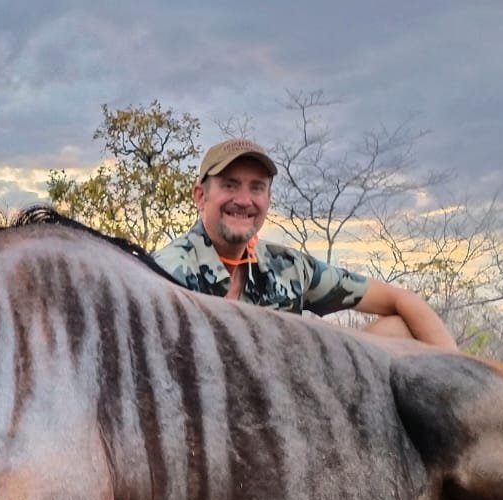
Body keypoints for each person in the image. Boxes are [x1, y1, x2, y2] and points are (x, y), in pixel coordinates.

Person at [153, 138, 458, 351]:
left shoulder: (287, 266)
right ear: (200, 196)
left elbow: (400, 299)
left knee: (397, 330)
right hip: (208, 422)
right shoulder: (165, 273)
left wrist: (458, 373)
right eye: (229, 185)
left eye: (256, 188)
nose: (244, 200)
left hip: (295, 406)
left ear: (268, 200)